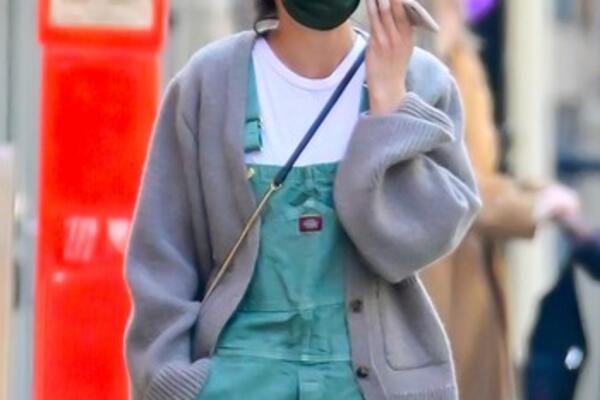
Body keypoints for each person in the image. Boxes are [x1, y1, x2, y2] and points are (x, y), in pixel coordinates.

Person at [123, 1, 481, 399]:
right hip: (236, 385)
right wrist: (174, 382)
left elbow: (422, 241)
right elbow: (162, 259)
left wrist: (391, 109)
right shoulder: (209, 83)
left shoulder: (419, 79)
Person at [420, 1, 581, 399]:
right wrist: (532, 206)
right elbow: (444, 180)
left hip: (470, 273)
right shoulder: (417, 64)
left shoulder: (462, 57)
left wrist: (535, 194)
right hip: (435, 274)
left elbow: (477, 171)